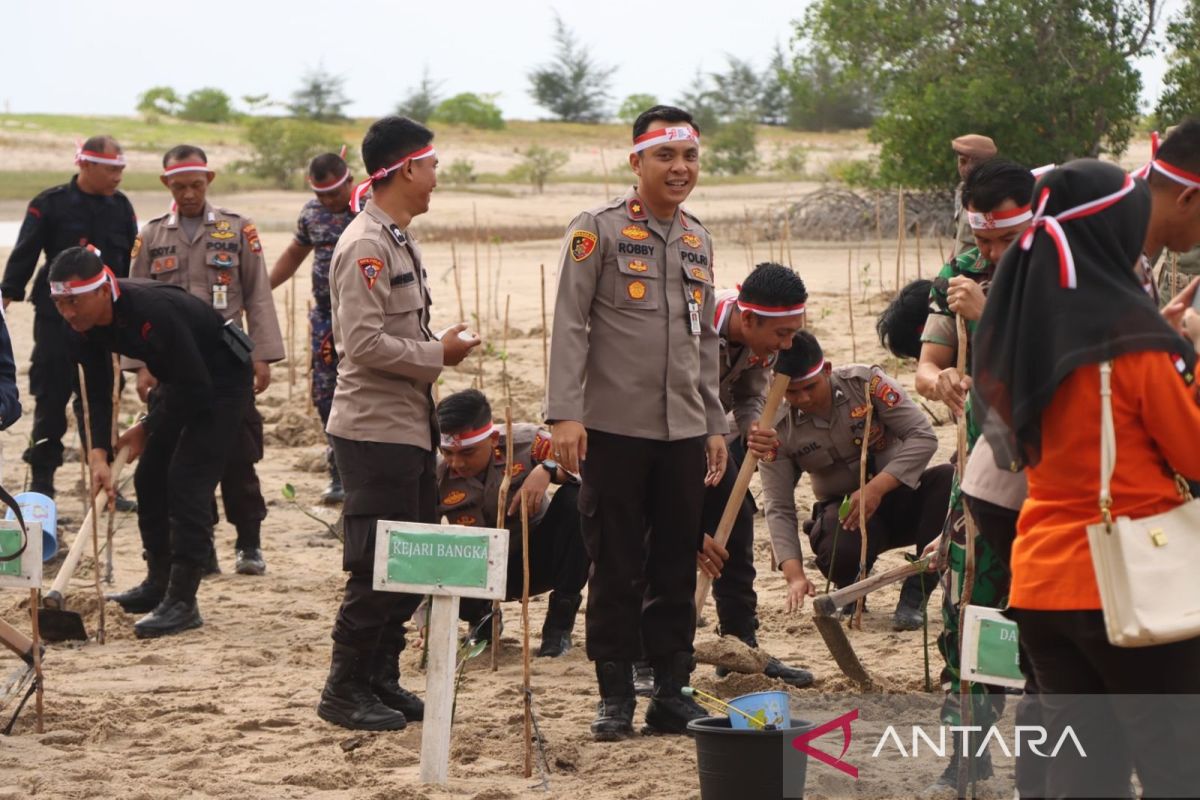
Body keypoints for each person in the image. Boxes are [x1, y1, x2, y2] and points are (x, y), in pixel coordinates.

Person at [972, 158, 1200, 798]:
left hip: (1043, 579)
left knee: (1083, 770)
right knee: (1176, 766)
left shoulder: (1022, 333)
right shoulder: (1135, 339)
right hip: (1131, 580)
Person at [547, 105, 727, 740]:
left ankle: (670, 691)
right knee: (616, 562)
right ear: (637, 162)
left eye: (690, 158)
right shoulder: (594, 230)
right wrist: (565, 414)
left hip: (683, 431)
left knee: (677, 561)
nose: (680, 170)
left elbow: (705, 340)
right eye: (666, 157)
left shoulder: (699, 239)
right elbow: (569, 324)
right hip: (614, 429)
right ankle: (616, 694)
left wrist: (713, 421)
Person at [316, 116, 479, 732]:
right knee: (379, 563)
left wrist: (439, 343)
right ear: (407, 168)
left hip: (406, 424)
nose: (437, 178)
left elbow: (394, 334)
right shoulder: (366, 243)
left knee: (409, 563)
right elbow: (361, 344)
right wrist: (441, 355)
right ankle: (343, 688)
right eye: (432, 166)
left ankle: (380, 678)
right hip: (372, 429)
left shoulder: (396, 237)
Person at [48, 246, 253, 638]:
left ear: (102, 290)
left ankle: (183, 599)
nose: (68, 313)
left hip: (222, 380)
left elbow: (197, 387)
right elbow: (93, 387)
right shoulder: (76, 326)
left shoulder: (152, 311)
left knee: (186, 481)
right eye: (60, 304)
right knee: (149, 478)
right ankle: (156, 583)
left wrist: (145, 427)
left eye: (74, 302)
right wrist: (98, 453)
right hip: (178, 379)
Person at [914, 157, 1036, 787]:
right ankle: (968, 752)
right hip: (980, 468)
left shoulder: (1059, 277)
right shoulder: (960, 274)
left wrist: (990, 313)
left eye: (1005, 240)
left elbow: (1045, 362)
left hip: (1047, 476)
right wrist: (945, 382)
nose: (992, 252)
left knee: (1044, 616)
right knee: (972, 609)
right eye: (983, 241)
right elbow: (926, 367)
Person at [126, 146, 284, 577]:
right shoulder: (152, 235)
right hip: (173, 367)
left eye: (196, 185)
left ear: (209, 180)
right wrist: (141, 366)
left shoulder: (237, 229)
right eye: (180, 187)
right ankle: (201, 549)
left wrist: (263, 356)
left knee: (237, 455)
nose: (190, 193)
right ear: (166, 185)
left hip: (227, 363)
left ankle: (249, 543)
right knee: (181, 457)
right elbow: (132, 302)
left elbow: (257, 293)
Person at [759, 331, 950, 630]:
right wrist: (794, 575)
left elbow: (923, 437)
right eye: (793, 393)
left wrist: (877, 487)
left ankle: (916, 593)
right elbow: (778, 504)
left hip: (899, 494)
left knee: (948, 482)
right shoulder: (774, 428)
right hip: (847, 515)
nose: (804, 398)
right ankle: (852, 589)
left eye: (810, 386)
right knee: (839, 550)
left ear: (827, 369)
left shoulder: (866, 385)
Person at [1, 137, 137, 500]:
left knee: (103, 396)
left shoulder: (122, 207)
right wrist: (7, 294)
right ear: (86, 165)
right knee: (51, 393)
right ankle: (42, 482)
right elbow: (25, 252)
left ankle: (104, 476)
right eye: (111, 169)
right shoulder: (50, 203)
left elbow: (132, 263)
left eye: (121, 169)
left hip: (108, 322)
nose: (118, 177)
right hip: (56, 319)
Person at [697, 263, 813, 687]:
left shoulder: (762, 341)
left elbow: (747, 395)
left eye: (793, 333)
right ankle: (649, 655)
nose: (788, 343)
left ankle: (738, 644)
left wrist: (751, 427)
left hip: (711, 438)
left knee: (737, 513)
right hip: (663, 435)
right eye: (781, 335)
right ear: (747, 319)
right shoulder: (693, 327)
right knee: (670, 534)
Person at [436, 389, 589, 657]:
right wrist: (425, 619)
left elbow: (582, 467)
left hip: (534, 561)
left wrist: (548, 469)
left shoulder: (526, 442)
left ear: (493, 438)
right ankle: (482, 623)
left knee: (577, 500)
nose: (456, 463)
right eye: (447, 452)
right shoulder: (435, 473)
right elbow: (416, 540)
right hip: (477, 571)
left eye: (468, 453)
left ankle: (558, 628)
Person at [269, 151, 358, 504]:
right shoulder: (312, 214)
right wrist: (261, 290)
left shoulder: (371, 208)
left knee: (365, 392)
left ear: (349, 181)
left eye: (333, 193)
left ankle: (361, 472)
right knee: (325, 394)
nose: (327, 201)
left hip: (366, 317)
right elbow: (294, 254)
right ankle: (337, 471)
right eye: (320, 194)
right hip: (325, 318)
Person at [950, 135, 998, 257]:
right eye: (961, 161)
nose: (962, 168)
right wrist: (950, 261)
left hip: (979, 271)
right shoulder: (962, 189)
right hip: (959, 266)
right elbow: (959, 236)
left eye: (963, 161)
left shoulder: (996, 194)